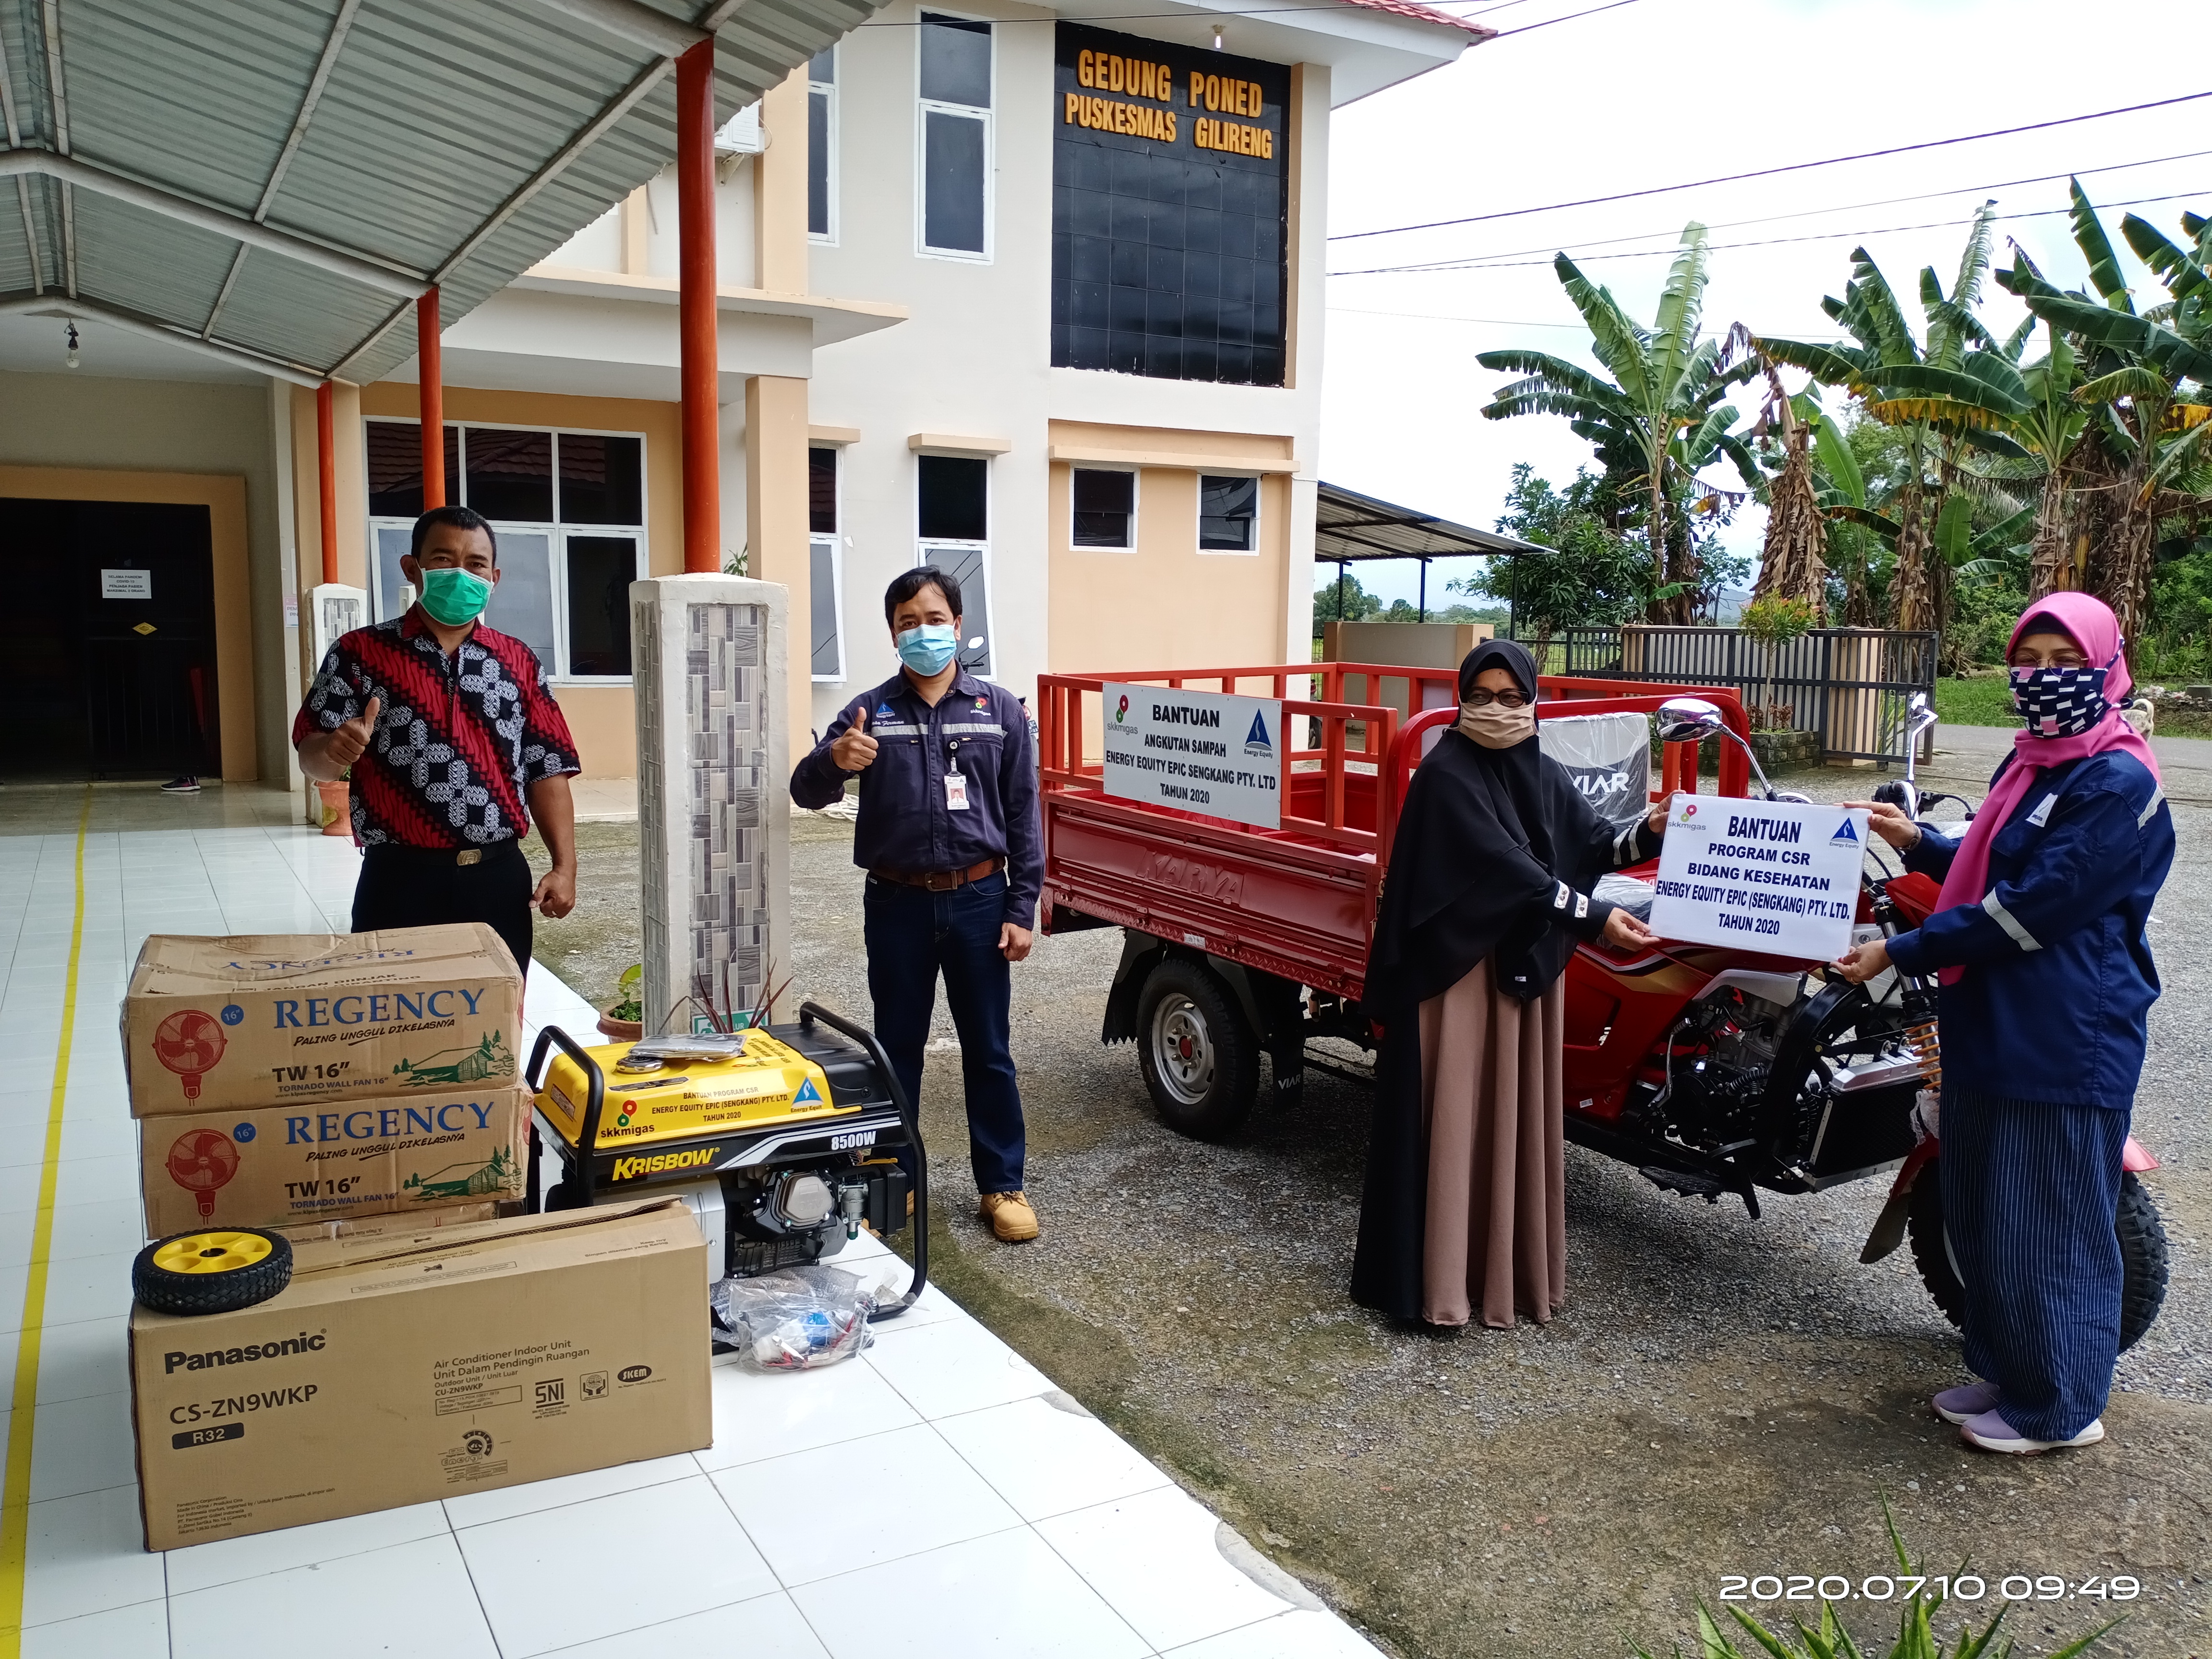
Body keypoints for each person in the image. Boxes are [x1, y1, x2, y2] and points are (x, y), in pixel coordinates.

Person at [1835, 594, 2173, 1455]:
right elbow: (1990, 859)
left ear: (2106, 666)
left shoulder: (2115, 782)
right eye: (2033, 659)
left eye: (2068, 660)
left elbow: (2028, 907)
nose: (2046, 677)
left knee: (2052, 1219)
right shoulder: (2028, 766)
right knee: (1985, 1210)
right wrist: (1916, 842)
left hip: (2063, 1033)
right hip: (1988, 1022)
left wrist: (1898, 950)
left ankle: (2060, 1407)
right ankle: (2008, 1369)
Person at [1352, 640, 1668, 1328]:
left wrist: (1653, 831)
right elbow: (1506, 870)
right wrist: (1595, 917)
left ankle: (1501, 1277)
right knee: (1458, 1116)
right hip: (1457, 983)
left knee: (1506, 1120)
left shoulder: (1542, 770)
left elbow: (1590, 846)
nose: (1495, 710)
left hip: (1517, 978)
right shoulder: (1445, 774)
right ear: (1460, 699)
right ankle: (1437, 1284)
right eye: (1481, 696)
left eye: (1511, 697)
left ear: (1532, 701)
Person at [789, 569, 1045, 1243]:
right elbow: (804, 792)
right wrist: (836, 760)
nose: (922, 631)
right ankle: (891, 1181)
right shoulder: (869, 711)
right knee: (895, 1046)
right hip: (898, 902)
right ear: (894, 633)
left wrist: (1023, 907)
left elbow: (1024, 815)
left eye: (933, 618)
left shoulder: (999, 711)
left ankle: (1003, 1186)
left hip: (982, 902)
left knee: (988, 1049)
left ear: (957, 626)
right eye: (907, 622)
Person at [293, 505, 580, 976]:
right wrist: (332, 751)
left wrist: (565, 867)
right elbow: (312, 758)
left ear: (494, 577)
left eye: (475, 564)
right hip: (398, 879)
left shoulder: (518, 662)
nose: (461, 574)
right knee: (392, 1026)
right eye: (444, 560)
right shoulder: (359, 653)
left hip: (497, 878)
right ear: (413, 568)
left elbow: (547, 769)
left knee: (495, 1030)